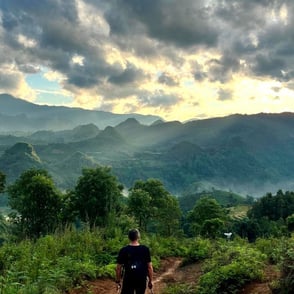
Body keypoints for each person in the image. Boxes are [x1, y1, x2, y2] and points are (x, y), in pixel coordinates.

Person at [116, 229, 153, 294]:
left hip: (128, 279)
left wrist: (118, 281)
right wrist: (150, 281)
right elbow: (149, 267)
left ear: (129, 237)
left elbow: (118, 268)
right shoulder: (145, 249)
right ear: (138, 237)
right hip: (141, 279)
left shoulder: (123, 250)